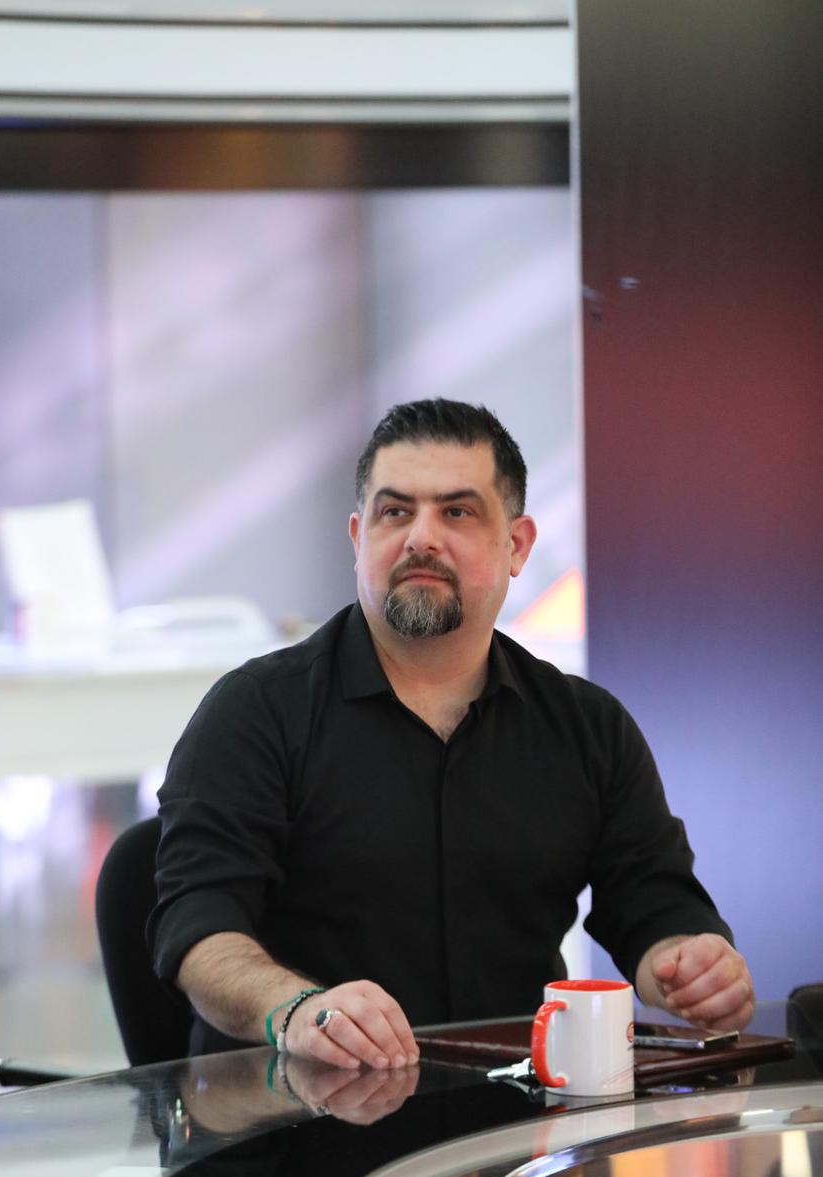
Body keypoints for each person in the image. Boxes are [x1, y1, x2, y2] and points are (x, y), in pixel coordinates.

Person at [149, 398, 755, 1070]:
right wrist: (295, 1009)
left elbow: (654, 902)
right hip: (296, 1111)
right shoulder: (253, 713)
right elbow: (197, 929)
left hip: (514, 1112)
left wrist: (687, 961)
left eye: (457, 512)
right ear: (358, 539)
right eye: (395, 512)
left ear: (517, 545)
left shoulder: (588, 727)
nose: (421, 538)